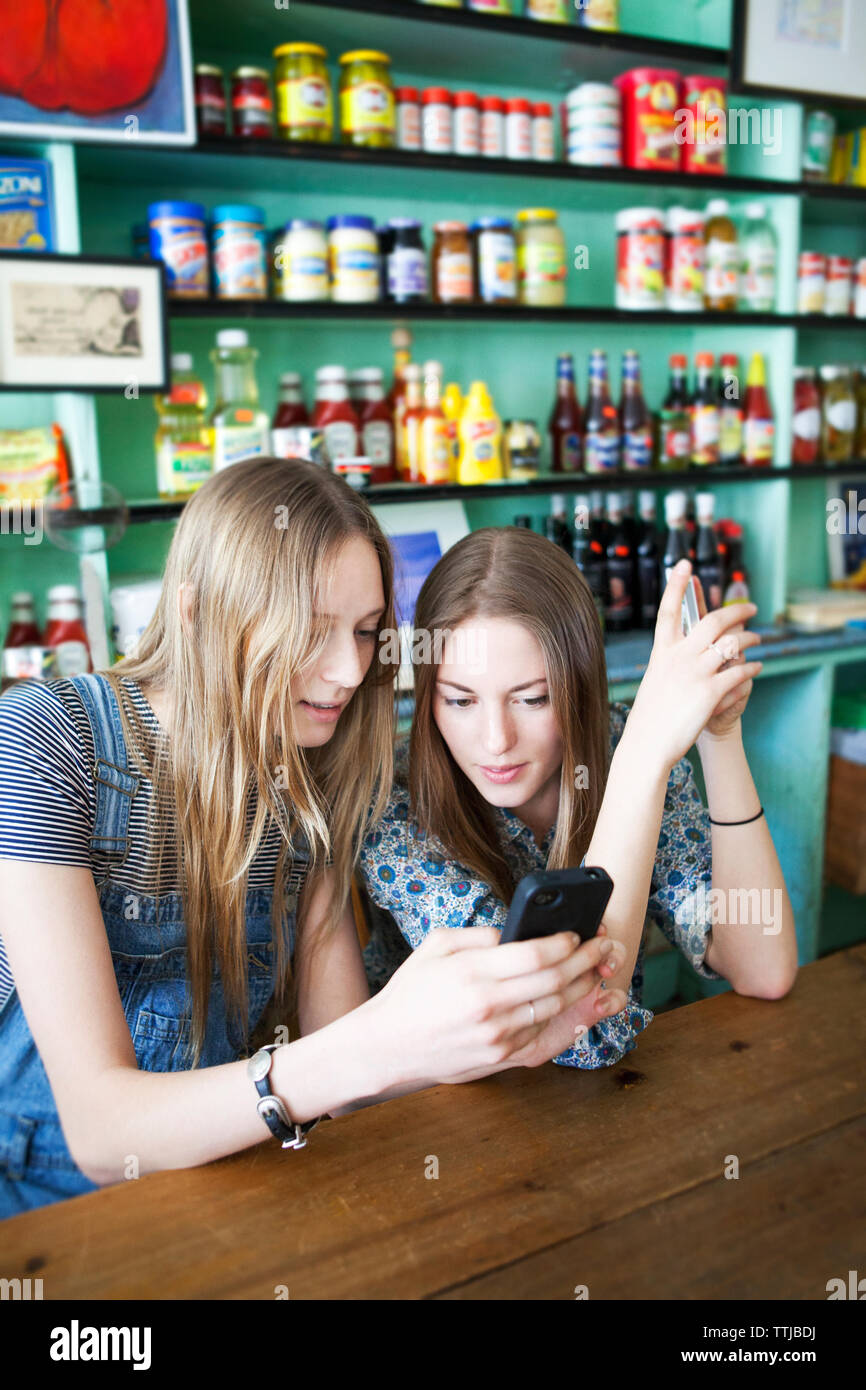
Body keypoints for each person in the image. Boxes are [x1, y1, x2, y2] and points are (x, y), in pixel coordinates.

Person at [0, 459, 616, 1218]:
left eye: (364, 633)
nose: (349, 670)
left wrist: (481, 1038)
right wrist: (375, 1042)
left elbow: (350, 1076)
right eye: (311, 631)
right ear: (195, 614)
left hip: (227, 1191)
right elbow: (101, 1132)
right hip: (50, 1213)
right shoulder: (44, 741)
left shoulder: (314, 769)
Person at [359, 526, 798, 1066]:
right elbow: (570, 1032)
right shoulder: (393, 803)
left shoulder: (623, 744)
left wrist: (718, 732)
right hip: (431, 1122)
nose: (496, 741)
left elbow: (763, 968)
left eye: (533, 699)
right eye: (460, 701)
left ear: (579, 684)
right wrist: (643, 758)